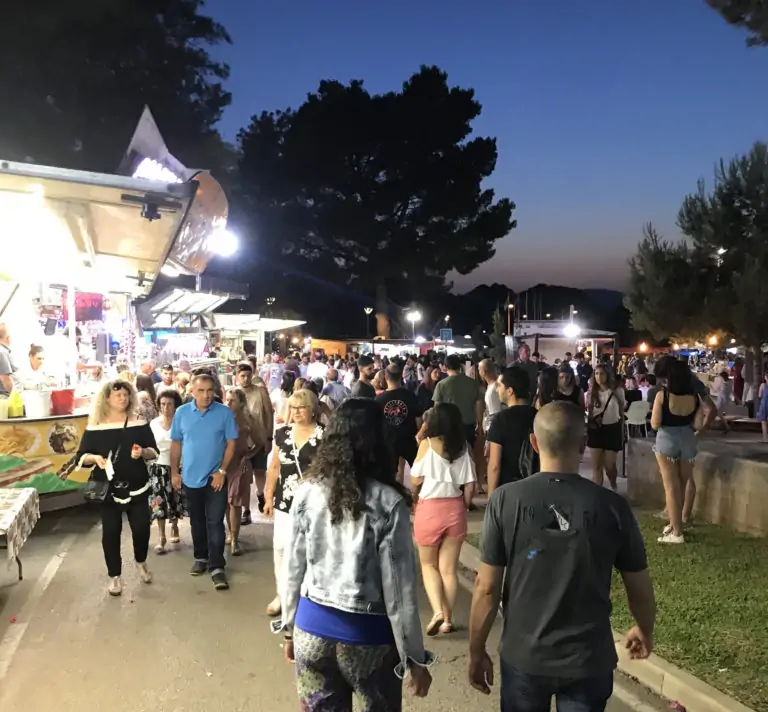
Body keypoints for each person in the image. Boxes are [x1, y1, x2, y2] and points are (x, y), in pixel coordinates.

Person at [468, 401, 656, 710]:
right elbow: (639, 584)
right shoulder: (612, 506)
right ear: (583, 445)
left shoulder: (505, 500)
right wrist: (644, 629)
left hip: (524, 657)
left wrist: (476, 651)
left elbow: (486, 588)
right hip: (589, 658)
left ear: (534, 442)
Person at [281, 398, 433, 710]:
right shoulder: (388, 502)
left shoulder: (307, 491)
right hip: (369, 638)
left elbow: (292, 566)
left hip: (311, 629)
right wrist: (414, 658)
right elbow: (400, 591)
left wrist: (288, 626)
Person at [70, 380, 159, 596]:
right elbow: (80, 457)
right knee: (111, 532)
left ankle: (141, 561)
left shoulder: (139, 421)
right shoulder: (96, 424)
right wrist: (95, 459)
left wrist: (143, 453)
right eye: (117, 394)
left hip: (137, 486)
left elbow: (154, 451)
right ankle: (114, 576)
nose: (123, 398)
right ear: (107, 398)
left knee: (141, 528)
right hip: (107, 489)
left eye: (126, 394)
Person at [170, 373, 239, 591]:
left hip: (215, 478)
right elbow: (176, 444)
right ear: (192, 391)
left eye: (210, 390)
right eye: (201, 391)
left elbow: (231, 444)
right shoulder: (181, 413)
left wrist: (222, 471)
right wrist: (174, 472)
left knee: (215, 522)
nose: (206, 395)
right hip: (190, 478)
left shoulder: (224, 413)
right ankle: (201, 557)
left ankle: (217, 566)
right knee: (197, 521)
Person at [411, 402, 475, 636]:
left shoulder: (427, 445)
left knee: (429, 566)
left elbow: (415, 479)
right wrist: (465, 505)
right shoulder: (464, 447)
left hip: (429, 510)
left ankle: (438, 611)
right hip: (455, 509)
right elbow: (470, 485)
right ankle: (448, 620)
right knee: (449, 570)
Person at [263, 388, 324, 616]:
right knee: (280, 547)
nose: (297, 412)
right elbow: (274, 467)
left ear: (313, 409)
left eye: (302, 407)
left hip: (314, 502)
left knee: (309, 549)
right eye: (293, 408)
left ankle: (307, 594)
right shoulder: (282, 433)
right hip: (285, 499)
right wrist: (269, 495)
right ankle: (283, 593)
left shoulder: (324, 435)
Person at [651, 359, 704, 544]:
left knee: (670, 487)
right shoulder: (696, 397)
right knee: (682, 484)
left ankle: (676, 533)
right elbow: (698, 424)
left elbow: (655, 423)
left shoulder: (662, 396)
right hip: (688, 440)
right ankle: (675, 524)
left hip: (667, 440)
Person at [225, 387, 265, 555]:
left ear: (241, 402)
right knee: (227, 501)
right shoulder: (222, 417)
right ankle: (230, 531)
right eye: (227, 399)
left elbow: (259, 442)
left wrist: (248, 455)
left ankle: (235, 538)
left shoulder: (248, 420)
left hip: (240, 464)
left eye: (232, 400)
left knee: (236, 501)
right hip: (224, 463)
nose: (228, 402)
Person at [486, 367, 536, 495]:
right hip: (536, 487)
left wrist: (491, 498)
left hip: (508, 489)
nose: (497, 389)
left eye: (499, 386)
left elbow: (494, 465)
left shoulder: (501, 420)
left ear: (510, 391)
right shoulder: (539, 416)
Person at [149, 389, 186, 553]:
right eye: (163, 404)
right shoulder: (153, 424)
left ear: (176, 405)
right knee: (159, 503)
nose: (166, 408)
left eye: (169, 404)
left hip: (178, 466)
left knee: (175, 499)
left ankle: (175, 526)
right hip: (158, 467)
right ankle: (161, 537)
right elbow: (149, 447)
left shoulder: (182, 421)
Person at [235, 362, 273, 523]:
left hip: (260, 438)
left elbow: (269, 414)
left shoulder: (260, 392)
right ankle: (246, 510)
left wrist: (269, 438)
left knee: (259, 471)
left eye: (248, 376)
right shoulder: (234, 394)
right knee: (243, 476)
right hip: (241, 441)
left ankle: (259, 493)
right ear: (236, 377)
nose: (245, 379)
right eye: (242, 376)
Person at [376, 364, 423, 483]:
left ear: (386, 376)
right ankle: (416, 498)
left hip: (388, 441)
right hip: (408, 438)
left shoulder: (379, 400)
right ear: (401, 375)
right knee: (418, 471)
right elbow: (418, 417)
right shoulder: (409, 395)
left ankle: (397, 496)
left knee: (392, 473)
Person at [587, 364, 625, 491]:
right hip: (595, 430)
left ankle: (613, 485)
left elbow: (621, 412)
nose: (599, 377)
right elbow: (589, 412)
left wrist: (622, 431)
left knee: (610, 465)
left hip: (612, 428)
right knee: (596, 466)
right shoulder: (591, 393)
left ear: (607, 375)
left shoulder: (617, 391)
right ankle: (598, 494)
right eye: (596, 373)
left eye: (602, 373)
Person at [432, 353, 483, 448]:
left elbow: (437, 408)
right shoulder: (472, 383)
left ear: (445, 367)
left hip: (449, 427)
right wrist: (479, 424)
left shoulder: (441, 385)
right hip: (468, 426)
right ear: (460, 366)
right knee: (469, 456)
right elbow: (479, 404)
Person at [0, 323, 20, 395]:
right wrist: (16, 397)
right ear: (8, 337)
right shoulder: (2, 352)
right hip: (5, 395)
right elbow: (6, 379)